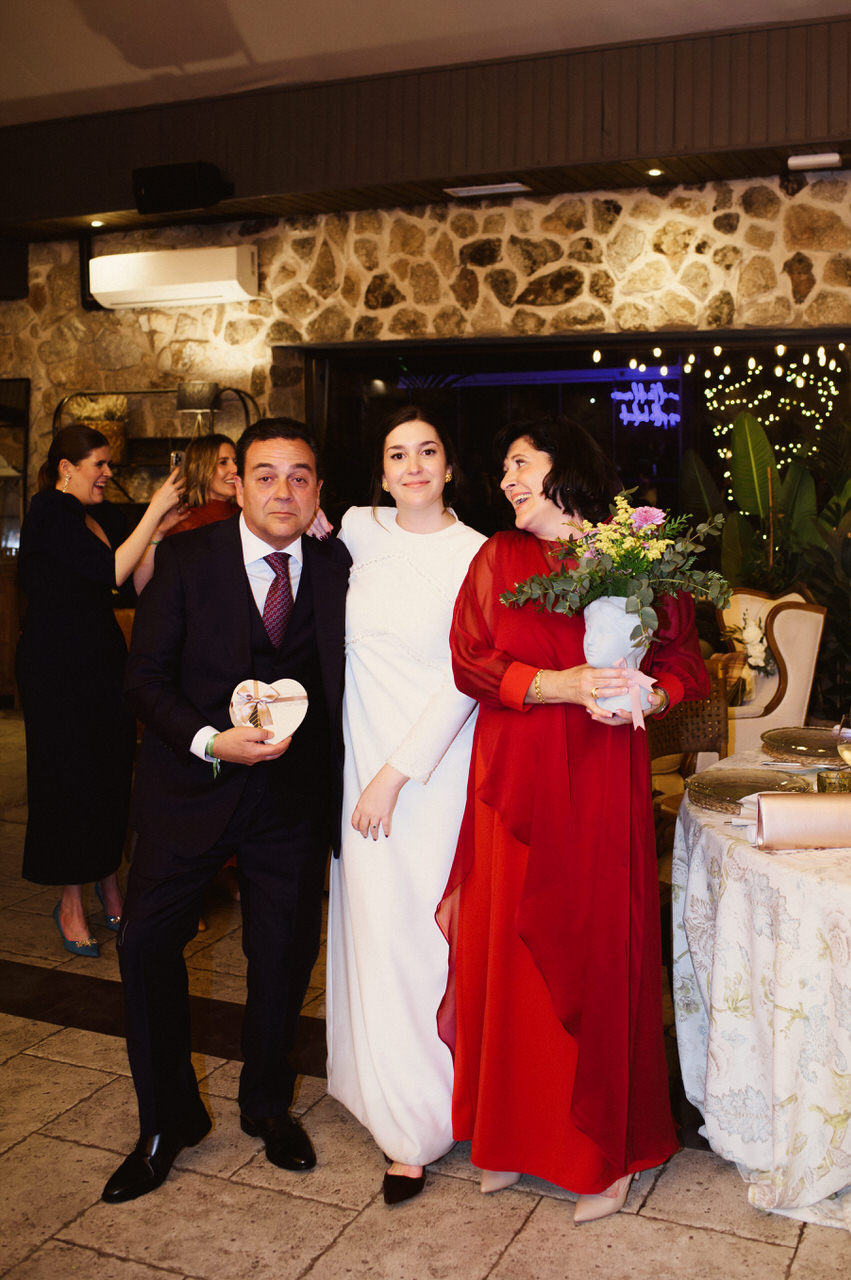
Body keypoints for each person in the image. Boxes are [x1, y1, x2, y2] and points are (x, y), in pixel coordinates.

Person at [437, 417, 708, 1222]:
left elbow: (684, 664)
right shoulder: (499, 557)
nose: (507, 480)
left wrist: (653, 693)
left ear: (567, 468)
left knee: (593, 949)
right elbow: (469, 658)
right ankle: (511, 1136)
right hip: (512, 779)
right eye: (504, 468)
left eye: (521, 463)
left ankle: (606, 1154)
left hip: (598, 772)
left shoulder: (639, 559)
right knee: (511, 957)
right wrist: (558, 685)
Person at [102, 418, 350, 1204]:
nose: (283, 490)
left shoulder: (340, 565)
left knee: (282, 957)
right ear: (236, 483)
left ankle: (267, 1104)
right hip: (189, 788)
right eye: (265, 474)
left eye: (300, 477)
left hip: (292, 800)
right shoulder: (185, 559)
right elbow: (144, 680)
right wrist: (211, 740)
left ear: (318, 491)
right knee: (145, 945)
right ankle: (167, 1120)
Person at [325, 405, 485, 1205]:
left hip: (434, 772)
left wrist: (395, 775)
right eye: (398, 454)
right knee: (372, 932)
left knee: (428, 942)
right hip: (359, 761)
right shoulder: (359, 529)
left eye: (428, 451)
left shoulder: (479, 553)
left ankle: (428, 1123)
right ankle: (385, 1105)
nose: (413, 466)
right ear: (382, 472)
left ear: (449, 467)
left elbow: (468, 676)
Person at [16, 423, 183, 957]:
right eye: (100, 465)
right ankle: (70, 900)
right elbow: (109, 571)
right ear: (67, 468)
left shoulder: (101, 513)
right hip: (56, 668)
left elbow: (137, 578)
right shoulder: (48, 512)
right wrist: (155, 509)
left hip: (103, 661)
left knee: (111, 772)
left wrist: (158, 529)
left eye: (109, 464)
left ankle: (109, 882)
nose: (109, 473)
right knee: (70, 779)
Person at [132, 433, 238, 593]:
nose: (235, 469)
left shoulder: (247, 516)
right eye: (223, 462)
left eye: (236, 462)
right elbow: (145, 588)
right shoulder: (182, 521)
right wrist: (159, 531)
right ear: (202, 469)